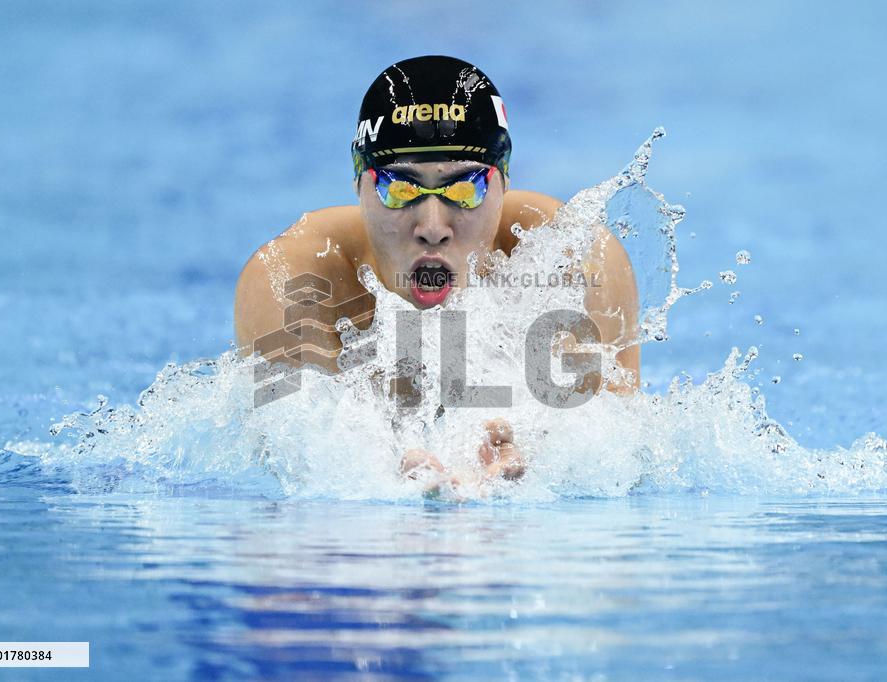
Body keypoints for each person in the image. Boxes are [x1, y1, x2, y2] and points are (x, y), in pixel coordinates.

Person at [234, 55, 639, 491]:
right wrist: (380, 474)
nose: (431, 228)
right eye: (400, 187)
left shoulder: (571, 256)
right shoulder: (293, 278)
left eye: (464, 188)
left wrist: (538, 455)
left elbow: (618, 449)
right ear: (359, 184)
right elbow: (296, 466)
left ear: (503, 180)